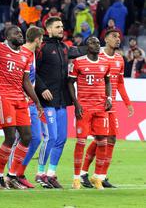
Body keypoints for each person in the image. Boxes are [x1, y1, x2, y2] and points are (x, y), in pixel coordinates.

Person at [80, 30, 134, 188]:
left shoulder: (119, 59)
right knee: (100, 139)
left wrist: (128, 103)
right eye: (113, 37)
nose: (117, 39)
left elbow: (120, 83)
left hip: (113, 105)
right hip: (98, 105)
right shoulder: (98, 56)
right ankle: (83, 173)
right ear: (105, 39)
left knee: (111, 139)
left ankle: (101, 176)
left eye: (119, 37)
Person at [0, 26, 43, 190]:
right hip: (4, 96)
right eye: (16, 33)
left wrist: (37, 101)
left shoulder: (26, 54)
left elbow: (26, 81)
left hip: (20, 97)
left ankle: (12, 175)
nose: (20, 35)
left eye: (21, 33)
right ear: (7, 36)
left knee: (27, 137)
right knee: (10, 137)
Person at [34, 17, 77, 189]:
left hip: (61, 100)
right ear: (48, 30)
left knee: (61, 139)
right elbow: (31, 72)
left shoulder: (65, 48)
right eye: (57, 27)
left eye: (62, 26)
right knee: (50, 138)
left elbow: (79, 53)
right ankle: (40, 172)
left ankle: (51, 174)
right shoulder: (42, 48)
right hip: (47, 101)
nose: (61, 29)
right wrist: (42, 88)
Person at [68, 36, 112, 190]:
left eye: (98, 43)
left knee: (102, 141)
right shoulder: (79, 62)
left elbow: (107, 81)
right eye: (93, 43)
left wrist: (109, 98)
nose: (96, 45)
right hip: (84, 108)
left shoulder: (105, 63)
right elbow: (70, 83)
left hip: (100, 108)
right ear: (87, 46)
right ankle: (76, 178)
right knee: (81, 141)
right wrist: (76, 103)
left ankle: (98, 177)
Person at [9, 26, 45, 189]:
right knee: (19, 139)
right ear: (37, 39)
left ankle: (19, 173)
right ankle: (11, 174)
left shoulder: (31, 54)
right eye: (41, 39)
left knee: (36, 138)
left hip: (30, 102)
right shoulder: (21, 52)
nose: (42, 41)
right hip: (19, 102)